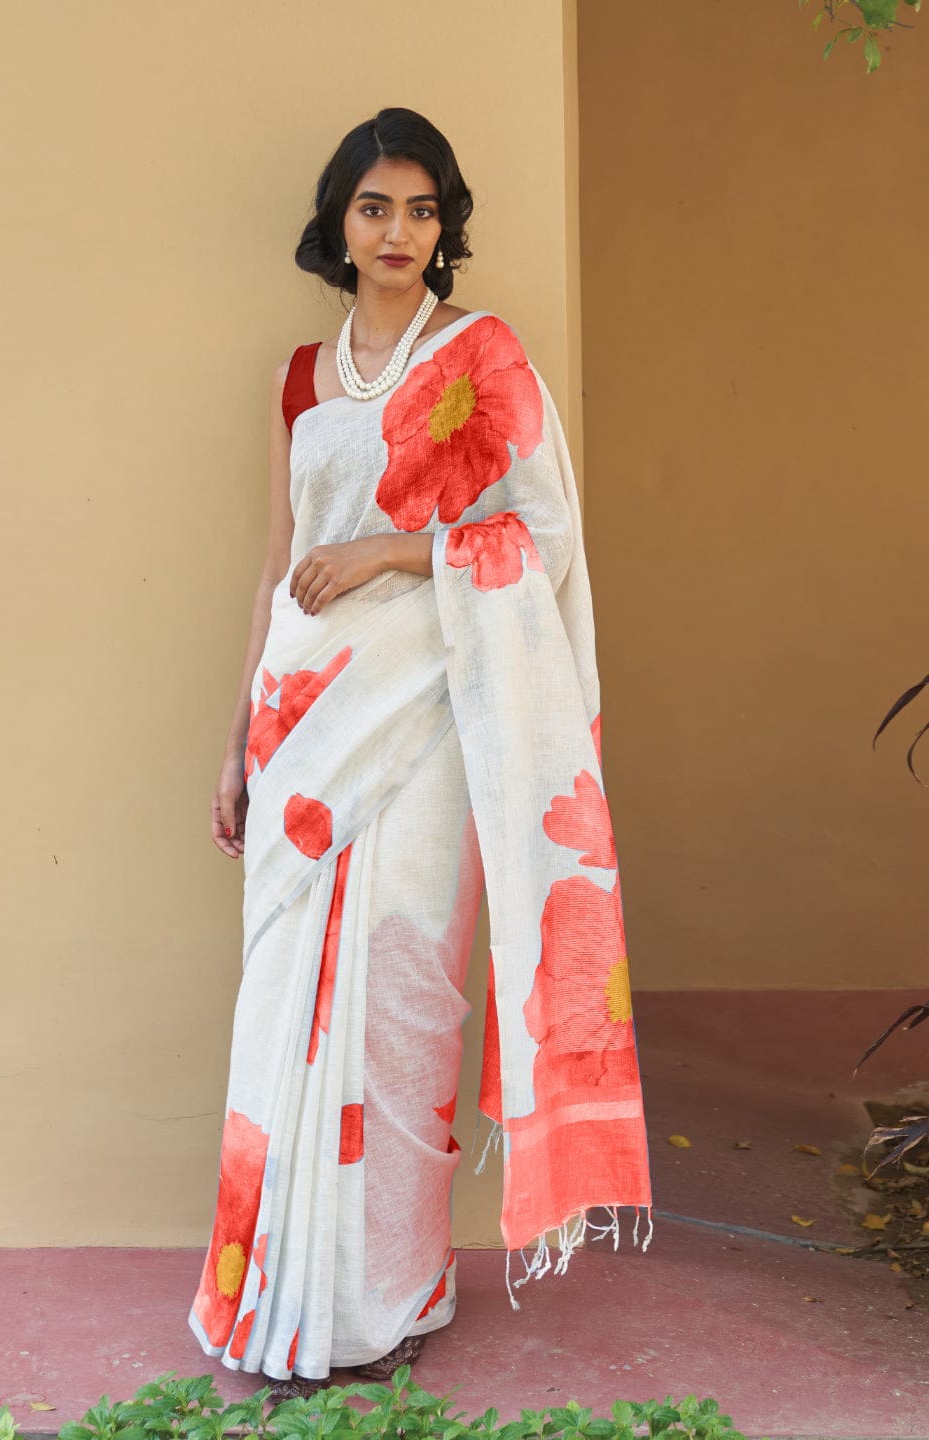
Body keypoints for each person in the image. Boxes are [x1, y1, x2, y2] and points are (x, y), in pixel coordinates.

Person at [188, 107, 653, 1403]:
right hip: (299, 740)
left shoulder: (483, 359)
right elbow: (277, 571)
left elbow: (543, 543)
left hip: (432, 726)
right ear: (337, 221)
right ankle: (268, 1295)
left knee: (400, 1014)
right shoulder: (298, 378)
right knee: (279, 1015)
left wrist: (399, 551)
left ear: (446, 226)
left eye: (422, 209)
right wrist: (235, 746)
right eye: (373, 207)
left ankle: (394, 1291)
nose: (398, 233)